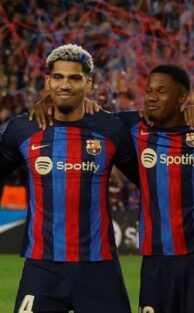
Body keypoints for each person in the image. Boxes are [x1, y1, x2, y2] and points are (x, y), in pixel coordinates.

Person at [0, 44, 139, 313]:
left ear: (89, 83)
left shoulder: (111, 128)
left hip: (99, 268)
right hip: (43, 267)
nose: (65, 84)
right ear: (48, 81)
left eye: (75, 78)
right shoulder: (23, 128)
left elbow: (147, 181)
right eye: (58, 77)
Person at [119, 64, 194, 313]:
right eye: (149, 91)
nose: (152, 97)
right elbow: (89, 119)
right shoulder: (133, 126)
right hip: (156, 260)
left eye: (161, 91)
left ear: (182, 97)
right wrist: (47, 104)